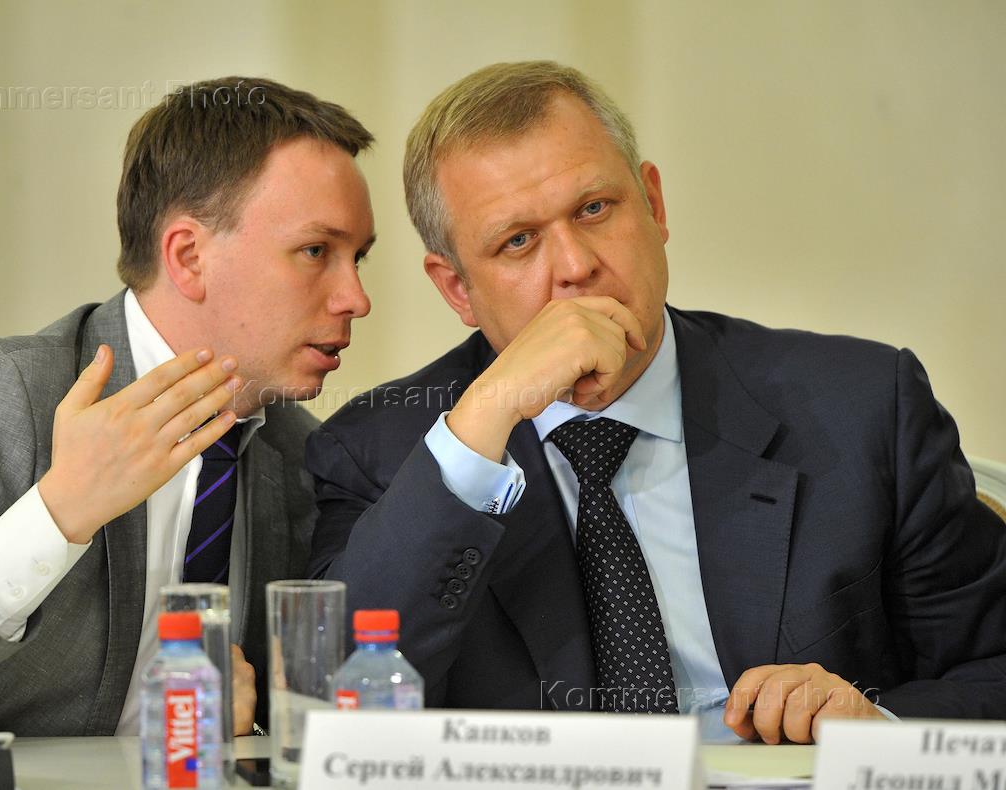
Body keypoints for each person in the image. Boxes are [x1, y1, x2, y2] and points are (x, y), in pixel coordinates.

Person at [305, 61, 1006, 744]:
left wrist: (872, 728)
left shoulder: (861, 408)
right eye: (518, 241)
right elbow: (331, 705)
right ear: (457, 288)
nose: (576, 266)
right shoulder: (376, 454)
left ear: (654, 204)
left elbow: (991, 669)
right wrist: (486, 418)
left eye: (594, 209)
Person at [0, 76, 376, 736]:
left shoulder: (298, 452)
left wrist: (244, 727)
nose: (356, 298)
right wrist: (58, 514)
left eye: (358, 258)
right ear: (189, 257)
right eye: (316, 251)